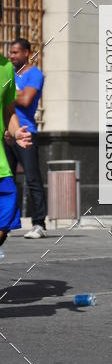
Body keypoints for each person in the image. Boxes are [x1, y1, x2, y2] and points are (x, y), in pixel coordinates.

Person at [6, 39, 47, 239]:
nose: (11, 56)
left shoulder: (35, 74)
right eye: (10, 52)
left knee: (32, 179)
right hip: (6, 133)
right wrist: (16, 93)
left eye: (15, 52)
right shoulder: (9, 74)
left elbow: (26, 100)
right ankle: (8, 223)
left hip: (26, 132)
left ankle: (39, 224)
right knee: (6, 179)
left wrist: (10, 93)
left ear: (26, 53)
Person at [0, 52, 32, 253]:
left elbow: (8, 110)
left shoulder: (6, 68)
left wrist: (16, 131)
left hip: (1, 165)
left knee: (4, 223)